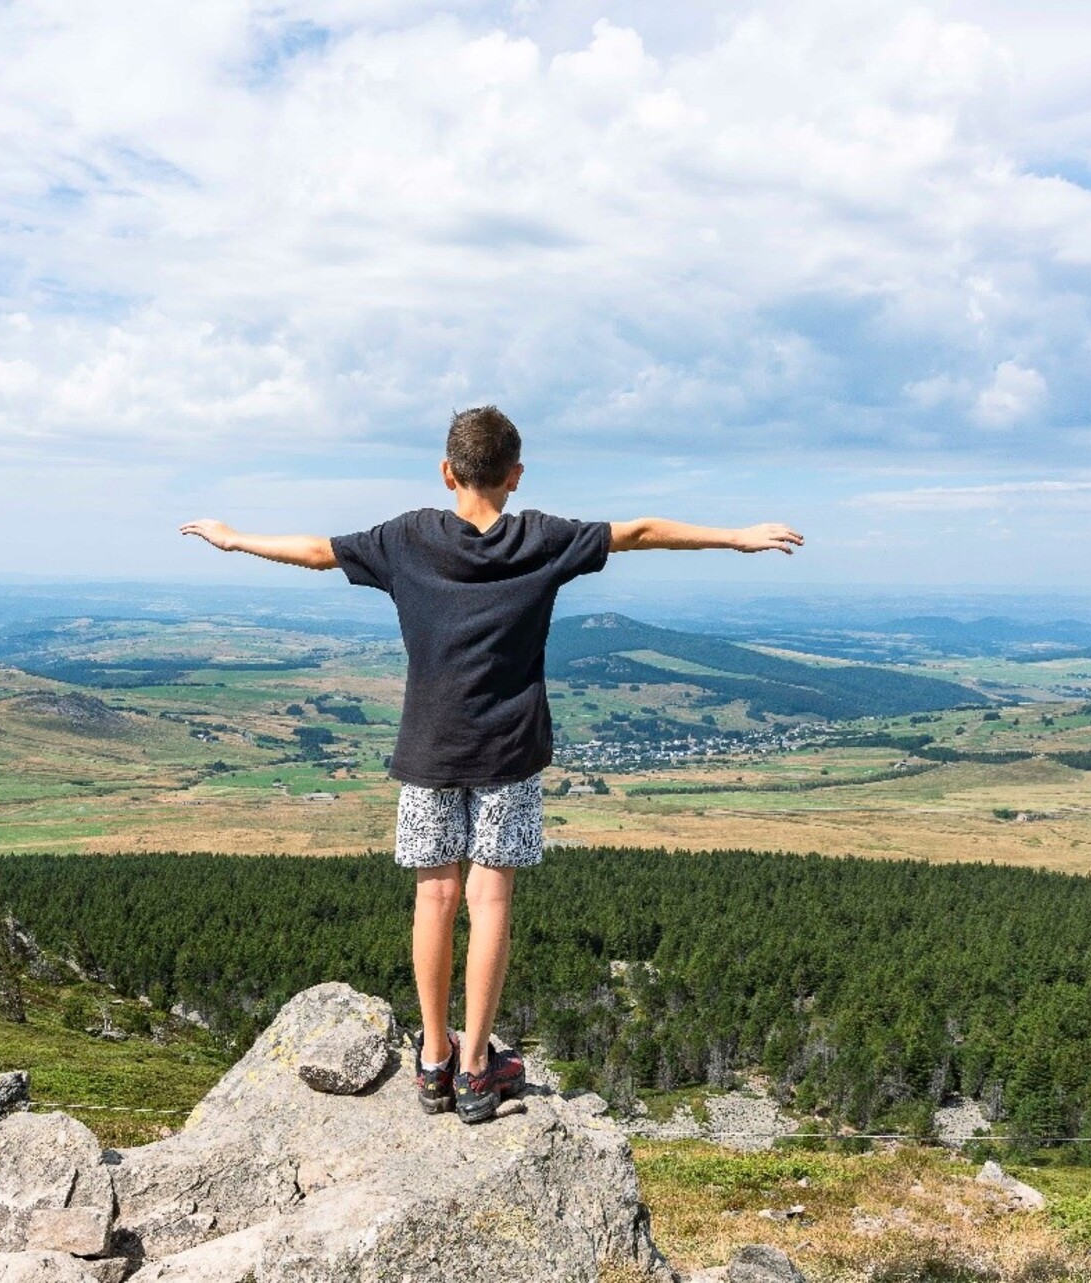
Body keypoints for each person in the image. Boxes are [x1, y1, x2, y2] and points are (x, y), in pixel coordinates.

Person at [180, 405, 803, 1122]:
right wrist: (735, 537)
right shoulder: (540, 539)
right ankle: (478, 1065)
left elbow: (317, 551)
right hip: (509, 752)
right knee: (490, 902)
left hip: (427, 750)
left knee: (433, 899)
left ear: (447, 472)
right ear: (515, 475)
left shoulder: (406, 538)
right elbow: (638, 532)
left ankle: (432, 1060)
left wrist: (234, 540)